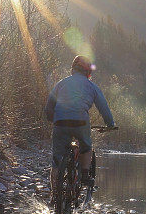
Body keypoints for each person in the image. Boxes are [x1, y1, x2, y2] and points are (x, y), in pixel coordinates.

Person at [45, 55, 115, 187]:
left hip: (60, 122)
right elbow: (103, 107)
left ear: (73, 69)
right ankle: (84, 175)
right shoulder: (92, 86)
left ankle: (55, 195)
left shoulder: (61, 83)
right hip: (81, 122)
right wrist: (110, 124)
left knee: (57, 160)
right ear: (88, 72)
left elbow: (49, 105)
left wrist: (52, 119)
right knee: (86, 147)